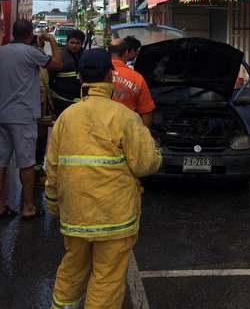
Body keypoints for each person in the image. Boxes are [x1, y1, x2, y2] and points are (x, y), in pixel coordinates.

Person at [45, 49, 162, 308]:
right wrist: (156, 153)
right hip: (114, 218)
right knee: (106, 280)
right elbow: (145, 164)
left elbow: (52, 168)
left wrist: (54, 205)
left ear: (80, 79)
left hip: (74, 216)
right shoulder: (125, 118)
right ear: (110, 75)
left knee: (71, 273)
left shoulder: (66, 118)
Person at [0, 20, 62, 220]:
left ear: (13, 33)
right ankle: (28, 207)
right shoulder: (31, 53)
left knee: (0, 163)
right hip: (23, 117)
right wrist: (51, 40)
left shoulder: (1, 53)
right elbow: (57, 63)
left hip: (1, 115)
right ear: (29, 34)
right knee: (27, 163)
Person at [109, 38, 156, 128]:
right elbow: (146, 113)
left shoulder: (98, 74)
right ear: (126, 52)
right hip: (127, 132)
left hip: (101, 133)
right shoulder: (137, 78)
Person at [49, 29, 86, 117]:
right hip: (61, 102)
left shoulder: (86, 57)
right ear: (67, 42)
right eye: (72, 42)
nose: (74, 45)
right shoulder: (60, 56)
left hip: (81, 103)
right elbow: (50, 78)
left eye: (77, 43)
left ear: (82, 44)